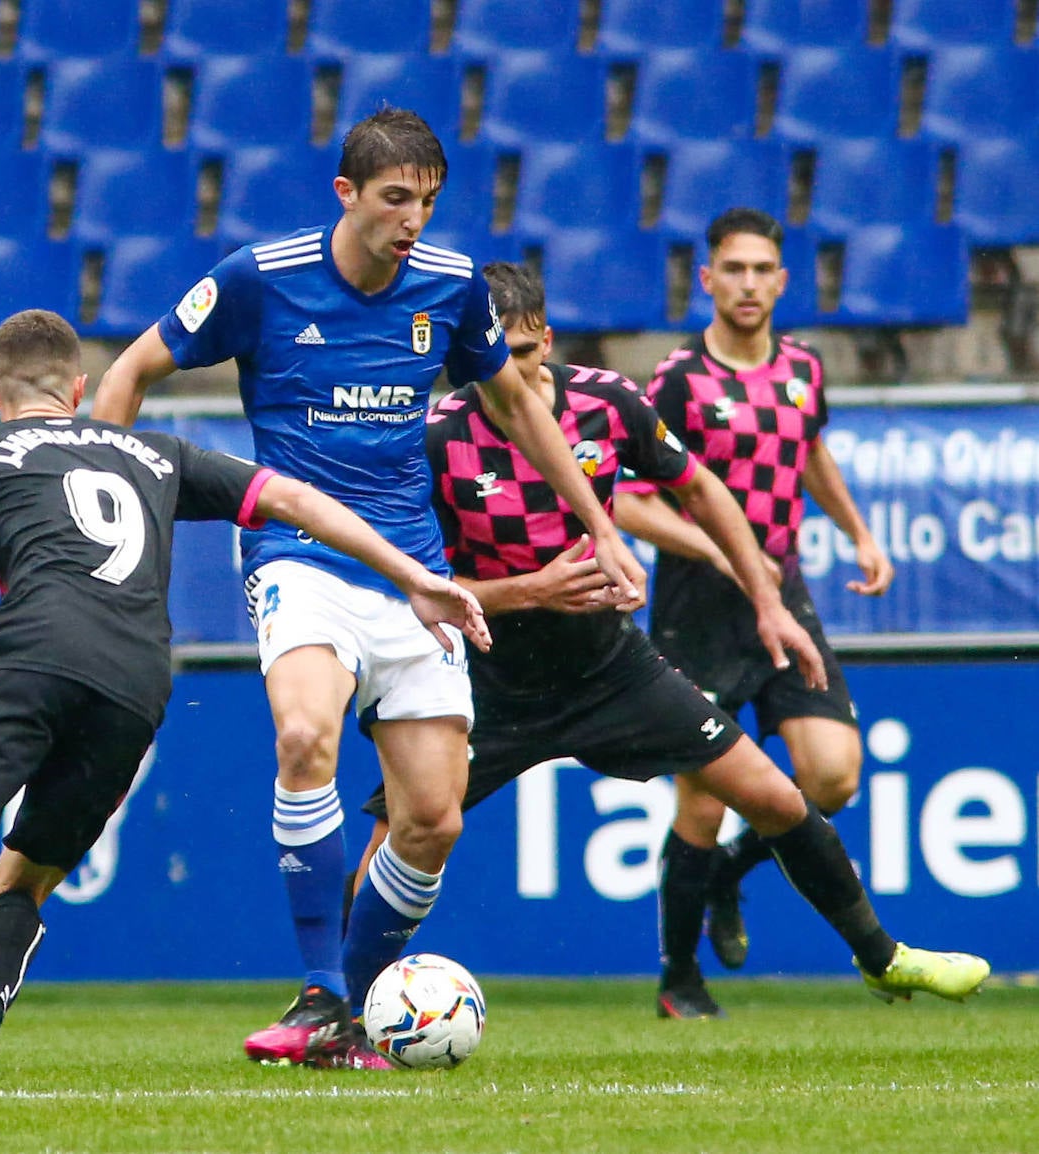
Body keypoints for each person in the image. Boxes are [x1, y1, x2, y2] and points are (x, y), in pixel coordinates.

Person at [0, 308, 490, 1094]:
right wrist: (413, 576)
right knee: (25, 878)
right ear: (77, 390)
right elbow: (297, 502)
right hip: (135, 685)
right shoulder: (156, 453)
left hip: (29, 655)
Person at [92, 107, 647, 1069]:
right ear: (345, 193)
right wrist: (101, 512)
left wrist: (600, 524)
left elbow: (518, 406)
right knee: (305, 734)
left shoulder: (451, 285)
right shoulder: (259, 278)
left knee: (432, 818)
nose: (412, 220)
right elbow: (129, 373)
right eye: (395, 199)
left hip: (413, 572)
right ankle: (320, 990)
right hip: (298, 555)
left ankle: (341, 1016)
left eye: (427, 201)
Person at [356, 261, 989, 1019]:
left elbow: (700, 487)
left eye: (521, 354)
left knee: (775, 796)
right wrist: (529, 591)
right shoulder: (434, 440)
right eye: (487, 358)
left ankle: (882, 958)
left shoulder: (607, 402)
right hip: (489, 680)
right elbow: (412, 590)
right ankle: (340, 1002)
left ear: (546, 340)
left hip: (610, 668)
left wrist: (767, 600)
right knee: (400, 832)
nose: (507, 376)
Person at [614, 207, 898, 1014]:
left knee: (833, 774)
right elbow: (628, 501)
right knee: (703, 798)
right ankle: (679, 979)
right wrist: (717, 550)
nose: (747, 283)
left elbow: (808, 451)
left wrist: (859, 531)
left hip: (784, 592)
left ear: (782, 281)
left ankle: (729, 874)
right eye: (732, 269)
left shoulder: (803, 368)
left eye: (761, 270)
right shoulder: (677, 380)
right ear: (707, 280)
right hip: (699, 604)